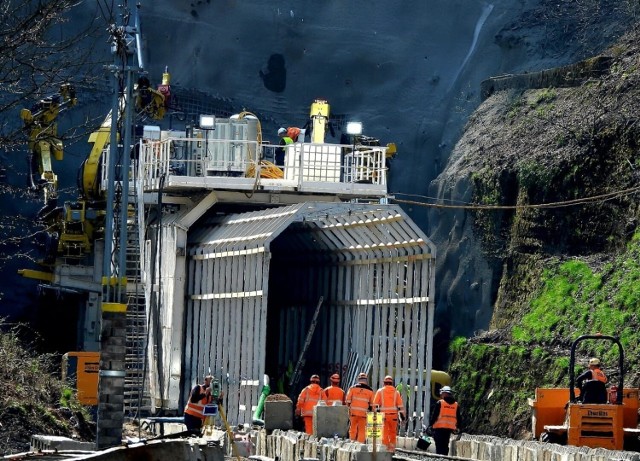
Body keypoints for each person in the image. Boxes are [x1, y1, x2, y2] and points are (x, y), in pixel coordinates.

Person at [373, 375, 405, 451]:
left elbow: (374, 405)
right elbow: (400, 406)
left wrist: (376, 414)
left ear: (384, 383)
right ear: (392, 383)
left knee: (384, 432)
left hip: (383, 416)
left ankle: (385, 448)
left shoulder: (380, 391)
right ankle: (391, 449)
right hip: (393, 416)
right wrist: (402, 418)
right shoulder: (396, 392)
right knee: (393, 433)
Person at [428, 385, 462, 455]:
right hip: (449, 429)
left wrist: (430, 425)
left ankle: (440, 458)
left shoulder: (440, 403)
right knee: (445, 444)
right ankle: (445, 457)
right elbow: (459, 417)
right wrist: (459, 427)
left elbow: (434, 415)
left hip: (439, 428)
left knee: (439, 445)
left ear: (445, 393)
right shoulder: (456, 405)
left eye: (441, 393)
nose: (440, 394)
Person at [345, 372, 374, 442]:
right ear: (366, 380)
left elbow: (347, 401)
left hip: (353, 413)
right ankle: (360, 444)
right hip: (363, 414)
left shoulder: (352, 388)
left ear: (358, 379)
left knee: (353, 429)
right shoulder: (370, 391)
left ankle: (351, 442)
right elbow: (372, 404)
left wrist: (349, 409)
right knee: (362, 430)